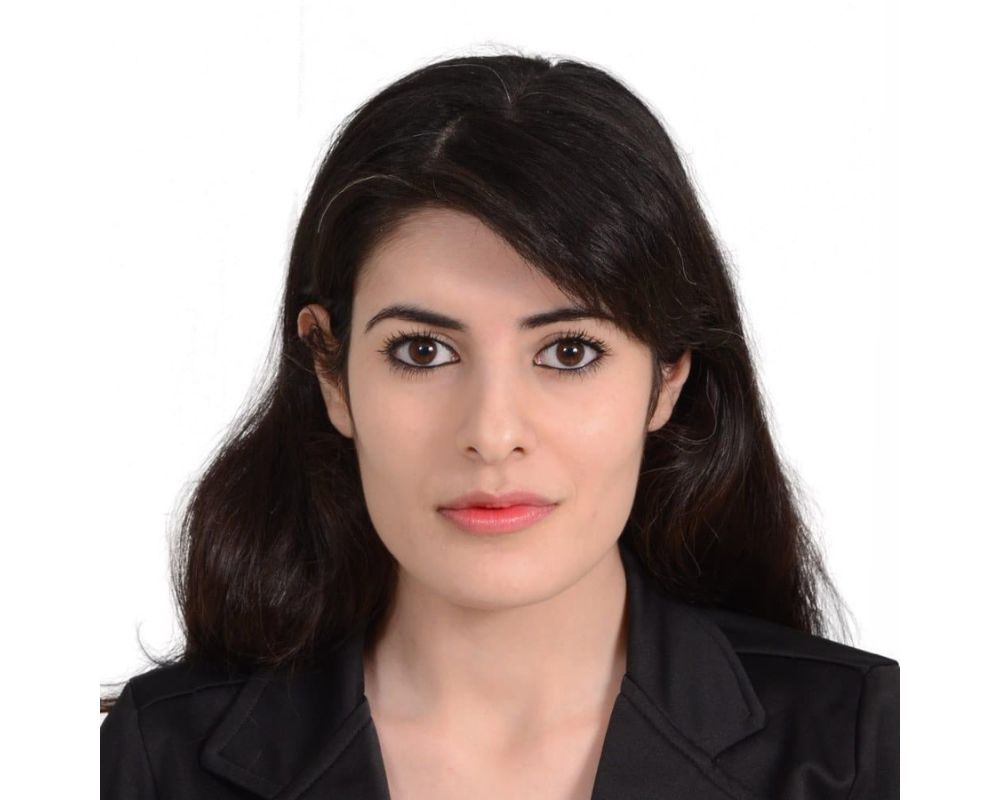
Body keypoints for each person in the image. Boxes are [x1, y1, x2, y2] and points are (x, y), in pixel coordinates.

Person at [100, 52, 899, 799]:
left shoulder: (867, 748)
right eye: (422, 350)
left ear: (667, 381)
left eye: (569, 351)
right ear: (331, 374)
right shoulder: (152, 761)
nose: (492, 431)